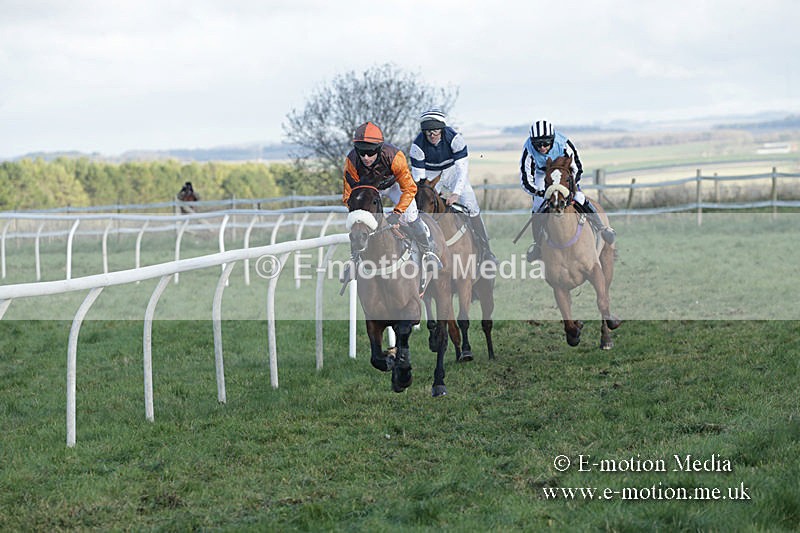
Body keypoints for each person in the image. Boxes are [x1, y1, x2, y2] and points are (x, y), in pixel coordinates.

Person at [343, 121, 439, 263]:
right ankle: (354, 259)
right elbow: (349, 195)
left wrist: (397, 213)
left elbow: (410, 188)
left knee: (411, 216)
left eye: (370, 152)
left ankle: (428, 253)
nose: (366, 157)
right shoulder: (351, 161)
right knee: (359, 222)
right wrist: (358, 213)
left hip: (394, 186)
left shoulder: (395, 157)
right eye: (361, 152)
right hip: (368, 190)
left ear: (379, 148)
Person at [519, 119, 615, 262]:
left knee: (579, 198)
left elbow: (577, 167)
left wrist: (570, 186)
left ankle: (602, 228)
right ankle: (538, 245)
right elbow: (526, 179)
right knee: (537, 206)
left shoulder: (563, 143)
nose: (542, 147)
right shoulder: (528, 148)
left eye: (546, 143)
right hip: (542, 174)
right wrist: (539, 192)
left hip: (564, 173)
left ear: (552, 139)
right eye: (538, 144)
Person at [409, 108, 497, 263]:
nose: (432, 135)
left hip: (453, 173)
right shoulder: (417, 146)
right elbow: (420, 181)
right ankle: (421, 250)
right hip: (431, 175)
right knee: (422, 208)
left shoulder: (455, 139)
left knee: (472, 206)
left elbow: (462, 170)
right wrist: (433, 194)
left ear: (442, 129)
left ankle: (486, 250)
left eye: (435, 131)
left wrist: (456, 193)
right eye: (428, 132)